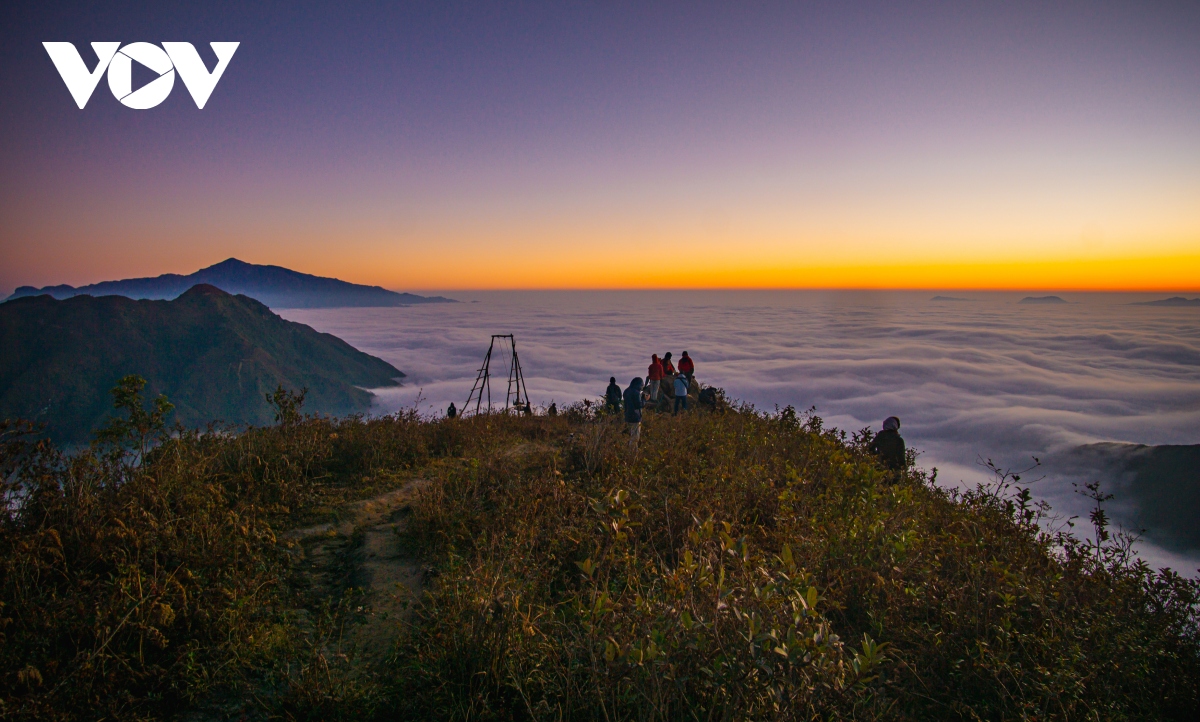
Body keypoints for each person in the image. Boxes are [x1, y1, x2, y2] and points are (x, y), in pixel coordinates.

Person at [623, 377, 645, 452]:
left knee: (631, 435)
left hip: (627, 416)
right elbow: (638, 405)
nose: (642, 388)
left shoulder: (626, 391)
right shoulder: (636, 393)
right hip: (635, 417)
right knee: (635, 437)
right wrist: (644, 400)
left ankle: (632, 452)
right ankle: (632, 453)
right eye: (642, 385)